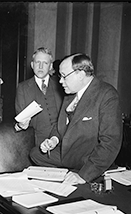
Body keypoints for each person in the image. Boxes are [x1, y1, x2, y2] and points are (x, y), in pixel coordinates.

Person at [30, 53, 123, 185]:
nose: (60, 81)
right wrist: (53, 140)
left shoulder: (107, 95)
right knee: (35, 153)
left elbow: (110, 143)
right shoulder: (70, 94)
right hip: (69, 154)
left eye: (63, 76)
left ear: (80, 75)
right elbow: (60, 125)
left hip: (88, 159)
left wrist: (83, 176)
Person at [15, 47, 65, 147]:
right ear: (32, 65)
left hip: (62, 139)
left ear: (51, 66)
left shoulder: (61, 85)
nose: (41, 66)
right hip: (35, 142)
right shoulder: (22, 88)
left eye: (45, 63)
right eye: (37, 62)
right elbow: (20, 117)